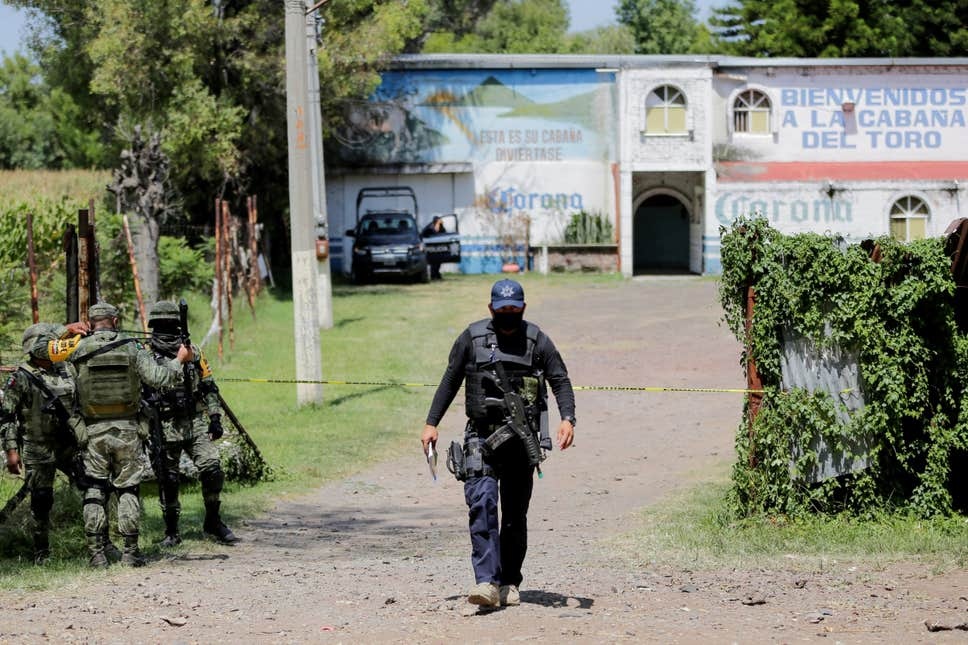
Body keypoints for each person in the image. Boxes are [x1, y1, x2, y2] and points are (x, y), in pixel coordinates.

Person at [421, 279, 576, 608]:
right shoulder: (472, 338)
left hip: (522, 442)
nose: (508, 315)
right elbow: (451, 379)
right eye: (503, 310)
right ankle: (486, 582)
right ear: (491, 309)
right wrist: (431, 422)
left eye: (514, 310)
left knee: (514, 516)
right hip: (481, 436)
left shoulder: (537, 341)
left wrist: (568, 418)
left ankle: (509, 581)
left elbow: (559, 378)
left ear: (523, 308)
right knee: (482, 505)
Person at [69, 302, 191, 568]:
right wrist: (179, 361)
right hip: (127, 431)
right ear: (114, 320)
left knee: (94, 491)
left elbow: (65, 387)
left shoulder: (77, 350)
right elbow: (160, 378)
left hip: (92, 431)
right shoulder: (132, 347)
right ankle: (130, 552)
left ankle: (96, 554)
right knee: (128, 490)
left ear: (90, 323)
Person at [143, 300, 238, 546]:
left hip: (193, 422)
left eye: (170, 324)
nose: (167, 329)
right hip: (162, 425)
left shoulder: (193, 351)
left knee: (213, 469)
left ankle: (213, 521)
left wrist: (215, 417)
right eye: (162, 325)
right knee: (168, 479)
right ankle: (172, 531)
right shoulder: (144, 354)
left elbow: (209, 386)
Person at [1, 323, 90, 564]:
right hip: (38, 447)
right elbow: (7, 416)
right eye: (50, 343)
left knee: (89, 488)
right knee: (41, 500)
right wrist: (11, 451)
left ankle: (98, 543)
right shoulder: (20, 377)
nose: (56, 346)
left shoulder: (66, 369)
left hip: (68, 445)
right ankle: (42, 553)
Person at [421, 216, 445, 280]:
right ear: (436, 221)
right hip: (431, 248)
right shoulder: (430, 228)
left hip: (439, 248)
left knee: (438, 263)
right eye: (439, 220)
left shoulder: (442, 228)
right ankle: (433, 276)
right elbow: (423, 234)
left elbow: (445, 236)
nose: (441, 221)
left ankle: (437, 275)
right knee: (433, 263)